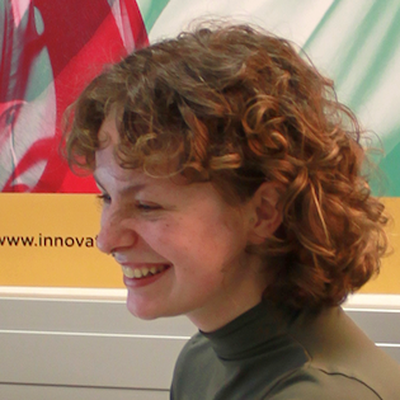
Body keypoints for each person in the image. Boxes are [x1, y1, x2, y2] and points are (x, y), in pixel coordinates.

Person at [64, 22, 400, 399]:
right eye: (106, 197)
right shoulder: (203, 356)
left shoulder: (321, 392)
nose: (106, 240)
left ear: (264, 212)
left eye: (146, 205)